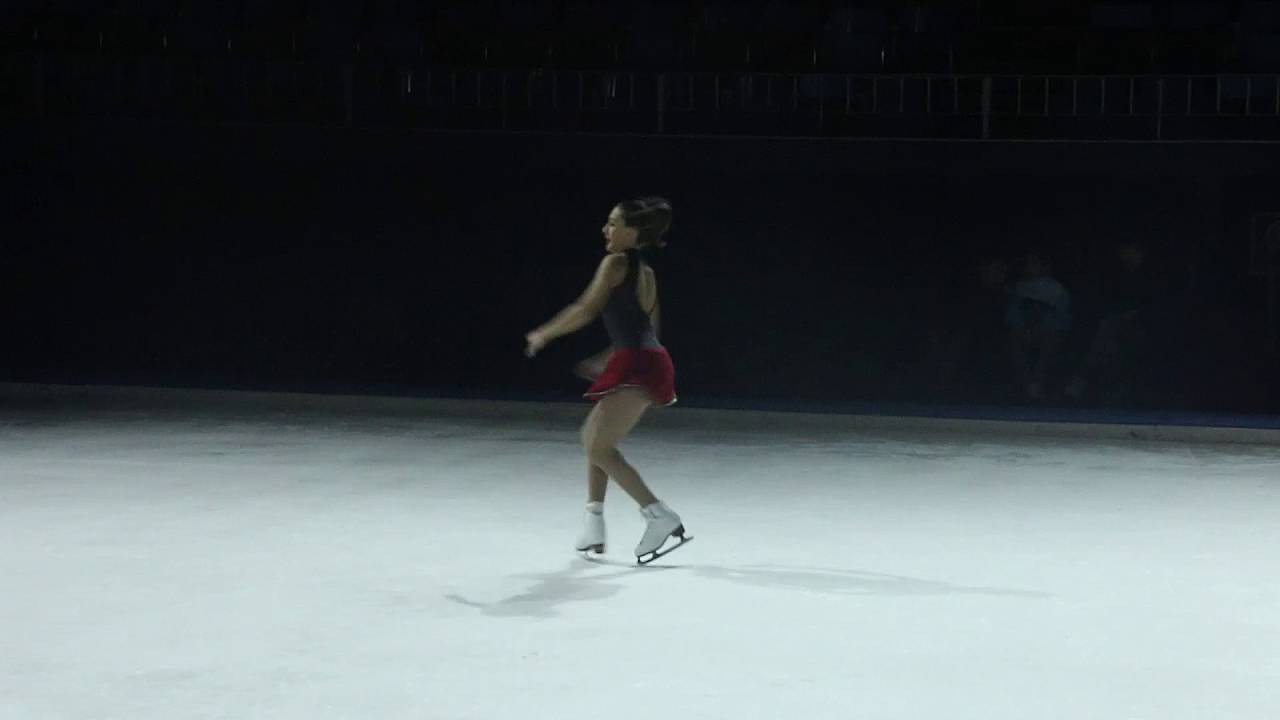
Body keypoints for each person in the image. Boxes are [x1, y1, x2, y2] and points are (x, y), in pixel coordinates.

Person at [524, 196, 690, 564]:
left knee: (599, 448)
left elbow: (586, 307)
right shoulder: (646, 272)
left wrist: (545, 333)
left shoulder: (615, 263)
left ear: (633, 231)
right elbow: (647, 328)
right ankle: (594, 522)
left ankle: (658, 515)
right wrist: (609, 359)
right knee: (593, 440)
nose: (606, 229)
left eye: (613, 223)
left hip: (639, 362)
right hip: (645, 359)